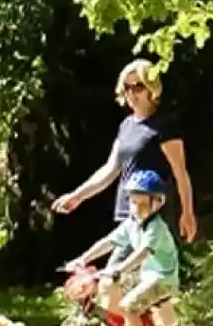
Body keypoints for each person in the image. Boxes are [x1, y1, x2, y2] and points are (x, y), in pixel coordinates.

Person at [53, 58, 199, 244]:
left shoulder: (164, 126)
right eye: (127, 88)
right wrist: (77, 196)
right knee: (120, 270)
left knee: (139, 269)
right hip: (127, 213)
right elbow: (110, 170)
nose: (132, 93)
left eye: (138, 86)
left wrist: (187, 212)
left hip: (154, 214)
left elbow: (181, 173)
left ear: (151, 88)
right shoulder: (126, 126)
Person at [67, 170, 180, 326]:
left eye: (143, 204)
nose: (137, 208)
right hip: (145, 277)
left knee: (129, 306)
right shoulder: (132, 223)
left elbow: (143, 253)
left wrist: (120, 268)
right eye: (133, 202)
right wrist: (82, 258)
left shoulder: (155, 228)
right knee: (112, 291)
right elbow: (109, 241)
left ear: (158, 203)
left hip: (163, 279)